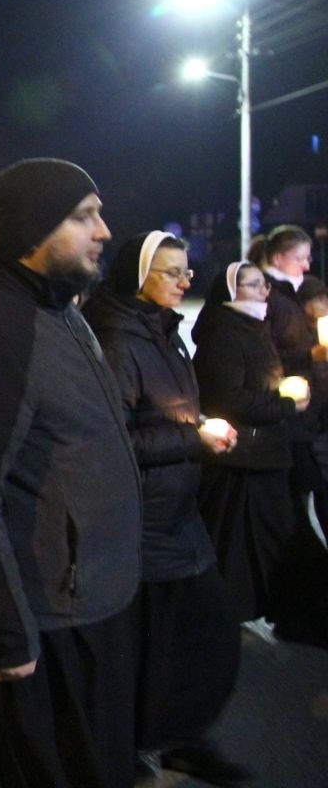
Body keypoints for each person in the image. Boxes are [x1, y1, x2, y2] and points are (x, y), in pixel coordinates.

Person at [0, 159, 142, 788]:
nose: (104, 231)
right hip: (41, 622)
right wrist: (9, 632)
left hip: (82, 604)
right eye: (84, 217)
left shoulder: (60, 309)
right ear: (35, 228)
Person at [83, 233, 248, 785]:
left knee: (197, 635)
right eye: (171, 272)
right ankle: (131, 744)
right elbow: (113, 440)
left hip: (178, 512)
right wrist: (192, 439)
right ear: (138, 277)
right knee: (162, 641)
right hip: (142, 521)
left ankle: (173, 734)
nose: (185, 281)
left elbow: (171, 413)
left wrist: (203, 430)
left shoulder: (163, 331)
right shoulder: (116, 338)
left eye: (186, 271)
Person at [193, 261, 303, 641]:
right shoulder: (224, 334)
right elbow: (230, 398)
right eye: (254, 285)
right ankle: (227, 618)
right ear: (231, 292)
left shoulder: (253, 327)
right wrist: (285, 405)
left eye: (265, 285)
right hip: (243, 460)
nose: (264, 292)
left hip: (262, 455)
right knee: (236, 547)